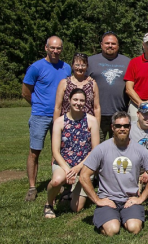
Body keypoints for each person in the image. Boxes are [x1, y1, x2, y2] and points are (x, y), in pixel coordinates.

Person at [79, 111, 148, 236]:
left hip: (130, 199)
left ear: (130, 128)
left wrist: (141, 198)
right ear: (112, 127)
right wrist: (97, 200)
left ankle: (123, 217)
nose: (122, 129)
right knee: (112, 230)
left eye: (126, 126)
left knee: (134, 228)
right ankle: (112, 218)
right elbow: (84, 176)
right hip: (108, 199)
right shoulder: (101, 149)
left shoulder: (140, 150)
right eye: (118, 126)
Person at [22, 36, 71, 201]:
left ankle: (57, 183)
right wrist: (37, 104)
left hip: (61, 116)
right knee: (34, 151)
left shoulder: (66, 68)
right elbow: (26, 91)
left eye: (58, 48)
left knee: (57, 152)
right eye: (52, 48)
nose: (55, 51)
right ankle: (32, 187)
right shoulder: (36, 67)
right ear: (46, 48)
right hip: (40, 115)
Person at [44, 88, 100, 218]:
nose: (78, 103)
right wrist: (68, 169)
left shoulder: (91, 121)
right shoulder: (59, 121)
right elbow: (55, 151)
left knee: (76, 208)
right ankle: (49, 203)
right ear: (69, 100)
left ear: (85, 102)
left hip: (84, 164)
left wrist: (78, 168)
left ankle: (70, 193)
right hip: (64, 163)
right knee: (57, 181)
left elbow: (95, 149)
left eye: (82, 100)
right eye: (75, 99)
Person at [87, 31, 131, 142]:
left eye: (113, 43)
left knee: (118, 146)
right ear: (101, 44)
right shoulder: (90, 61)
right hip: (96, 113)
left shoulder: (128, 62)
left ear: (118, 46)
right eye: (107, 43)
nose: (110, 46)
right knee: (96, 146)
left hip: (119, 113)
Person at [53, 53, 101, 124]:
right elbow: (58, 107)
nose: (80, 68)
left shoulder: (92, 84)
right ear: (72, 66)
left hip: (87, 124)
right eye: (77, 65)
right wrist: (56, 126)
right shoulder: (64, 83)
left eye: (83, 65)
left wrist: (96, 126)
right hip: (67, 124)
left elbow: (97, 108)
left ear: (87, 66)